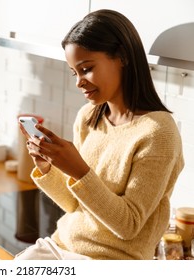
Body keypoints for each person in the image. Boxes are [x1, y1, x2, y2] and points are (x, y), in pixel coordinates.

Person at [16, 9, 184, 260]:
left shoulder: (158, 131)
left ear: (123, 57)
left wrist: (78, 171)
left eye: (86, 69)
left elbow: (129, 225)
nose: (78, 82)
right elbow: (76, 206)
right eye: (75, 72)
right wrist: (48, 169)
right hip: (62, 246)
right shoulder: (88, 117)